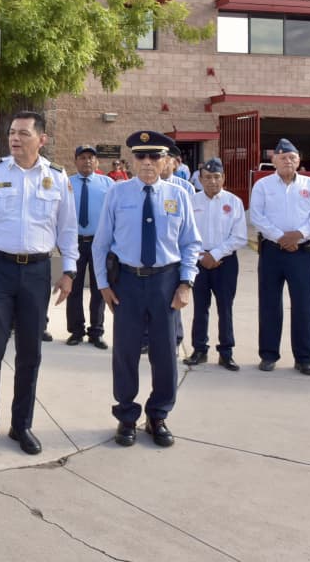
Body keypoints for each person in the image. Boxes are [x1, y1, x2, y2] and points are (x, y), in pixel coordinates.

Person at [0, 112, 77, 455]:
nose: (15, 139)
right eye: (12, 133)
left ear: (41, 139)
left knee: (30, 352)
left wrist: (69, 272)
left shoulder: (57, 178)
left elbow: (67, 229)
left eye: (23, 134)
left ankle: (21, 425)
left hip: (37, 273)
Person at [92, 130, 201, 449]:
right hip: (127, 281)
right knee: (125, 353)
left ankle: (158, 415)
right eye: (141, 156)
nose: (148, 163)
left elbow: (191, 242)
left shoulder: (179, 194)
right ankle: (126, 417)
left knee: (165, 353)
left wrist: (186, 283)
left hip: (165, 282)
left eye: (155, 156)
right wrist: (102, 285)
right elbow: (101, 244)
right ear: (132, 160)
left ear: (166, 160)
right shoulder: (118, 193)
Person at [249, 138, 310, 375]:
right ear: (273, 160)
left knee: (304, 306)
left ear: (299, 160)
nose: (288, 161)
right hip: (273, 251)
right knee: (270, 304)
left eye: (292, 157)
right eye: (283, 158)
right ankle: (269, 355)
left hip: (302, 252)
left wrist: (298, 236)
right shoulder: (263, 186)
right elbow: (257, 216)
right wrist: (281, 237)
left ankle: (304, 358)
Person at [182, 158, 247, 371]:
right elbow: (185, 233)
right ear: (200, 180)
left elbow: (239, 237)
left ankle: (226, 352)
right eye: (207, 178)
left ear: (223, 178)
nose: (212, 181)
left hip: (225, 262)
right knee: (200, 307)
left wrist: (216, 254)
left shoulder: (234, 202)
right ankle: (199, 349)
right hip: (198, 261)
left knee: (225, 308)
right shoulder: (191, 201)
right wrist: (202, 257)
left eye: (216, 177)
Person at [65, 144, 114, 349]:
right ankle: (76, 331)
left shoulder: (108, 183)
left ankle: (96, 331)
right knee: (73, 289)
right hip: (74, 243)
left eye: (91, 158)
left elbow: (115, 214)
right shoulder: (65, 183)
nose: (87, 161)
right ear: (75, 161)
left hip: (99, 243)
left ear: (97, 162)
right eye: (82, 157)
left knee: (99, 287)